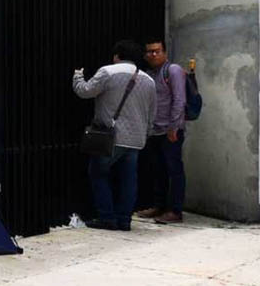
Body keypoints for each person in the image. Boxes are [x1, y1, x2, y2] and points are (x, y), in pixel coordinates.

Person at [72, 40, 157, 231]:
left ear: (117, 55)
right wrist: (147, 134)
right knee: (129, 180)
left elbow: (85, 92)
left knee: (98, 173)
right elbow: (152, 113)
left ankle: (107, 217)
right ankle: (124, 220)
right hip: (136, 140)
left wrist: (77, 76)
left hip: (111, 137)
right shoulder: (148, 80)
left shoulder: (108, 72)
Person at [137, 39, 188, 224]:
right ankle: (159, 206)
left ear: (165, 53)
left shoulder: (172, 70)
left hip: (171, 131)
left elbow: (179, 100)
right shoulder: (150, 74)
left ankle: (175, 211)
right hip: (155, 131)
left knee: (174, 170)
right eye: (149, 52)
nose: (153, 55)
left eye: (157, 51)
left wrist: (174, 127)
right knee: (158, 170)